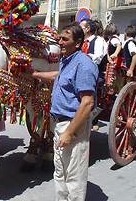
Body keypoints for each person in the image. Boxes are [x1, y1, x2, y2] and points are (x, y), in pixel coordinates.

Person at [26, 22, 98, 200]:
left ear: (78, 43)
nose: (60, 42)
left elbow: (87, 102)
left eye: (65, 39)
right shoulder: (67, 61)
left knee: (73, 176)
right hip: (59, 124)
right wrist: (33, 74)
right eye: (59, 38)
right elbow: (58, 76)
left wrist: (69, 132)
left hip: (72, 125)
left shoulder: (84, 65)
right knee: (60, 172)